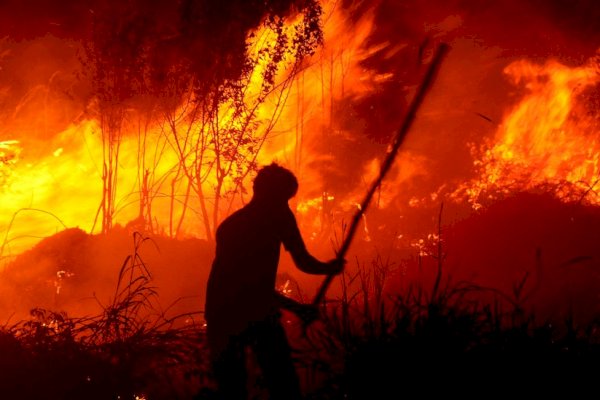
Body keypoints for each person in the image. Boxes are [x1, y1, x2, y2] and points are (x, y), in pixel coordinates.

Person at [205, 163, 344, 399]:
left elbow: (303, 261)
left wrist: (328, 268)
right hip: (228, 315)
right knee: (245, 386)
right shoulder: (239, 229)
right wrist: (298, 308)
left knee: (277, 382)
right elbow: (250, 289)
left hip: (248, 312)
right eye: (283, 199)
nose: (286, 206)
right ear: (267, 196)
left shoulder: (271, 218)